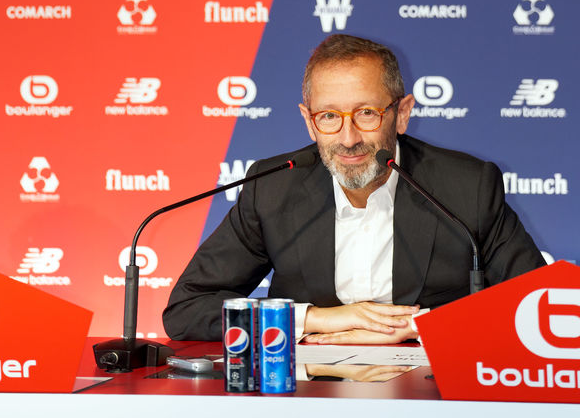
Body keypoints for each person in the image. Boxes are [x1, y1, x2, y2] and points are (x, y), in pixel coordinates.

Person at [163, 34, 545, 343]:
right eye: (329, 116)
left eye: (366, 114)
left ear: (402, 114)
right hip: (310, 394)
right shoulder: (273, 187)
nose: (348, 139)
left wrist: (415, 327)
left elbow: (537, 304)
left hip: (428, 390)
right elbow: (187, 308)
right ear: (309, 122)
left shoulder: (466, 186)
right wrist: (316, 318)